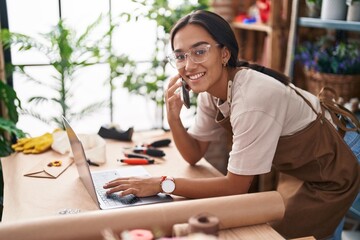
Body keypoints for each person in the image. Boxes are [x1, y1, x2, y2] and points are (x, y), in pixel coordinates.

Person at [104, 10, 360, 239]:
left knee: (284, 233)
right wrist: (173, 117)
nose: (189, 65)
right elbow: (194, 154)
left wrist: (162, 183)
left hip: (342, 158)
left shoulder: (252, 98)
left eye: (200, 51)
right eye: (180, 56)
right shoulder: (211, 94)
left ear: (224, 53)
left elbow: (235, 187)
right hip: (305, 166)